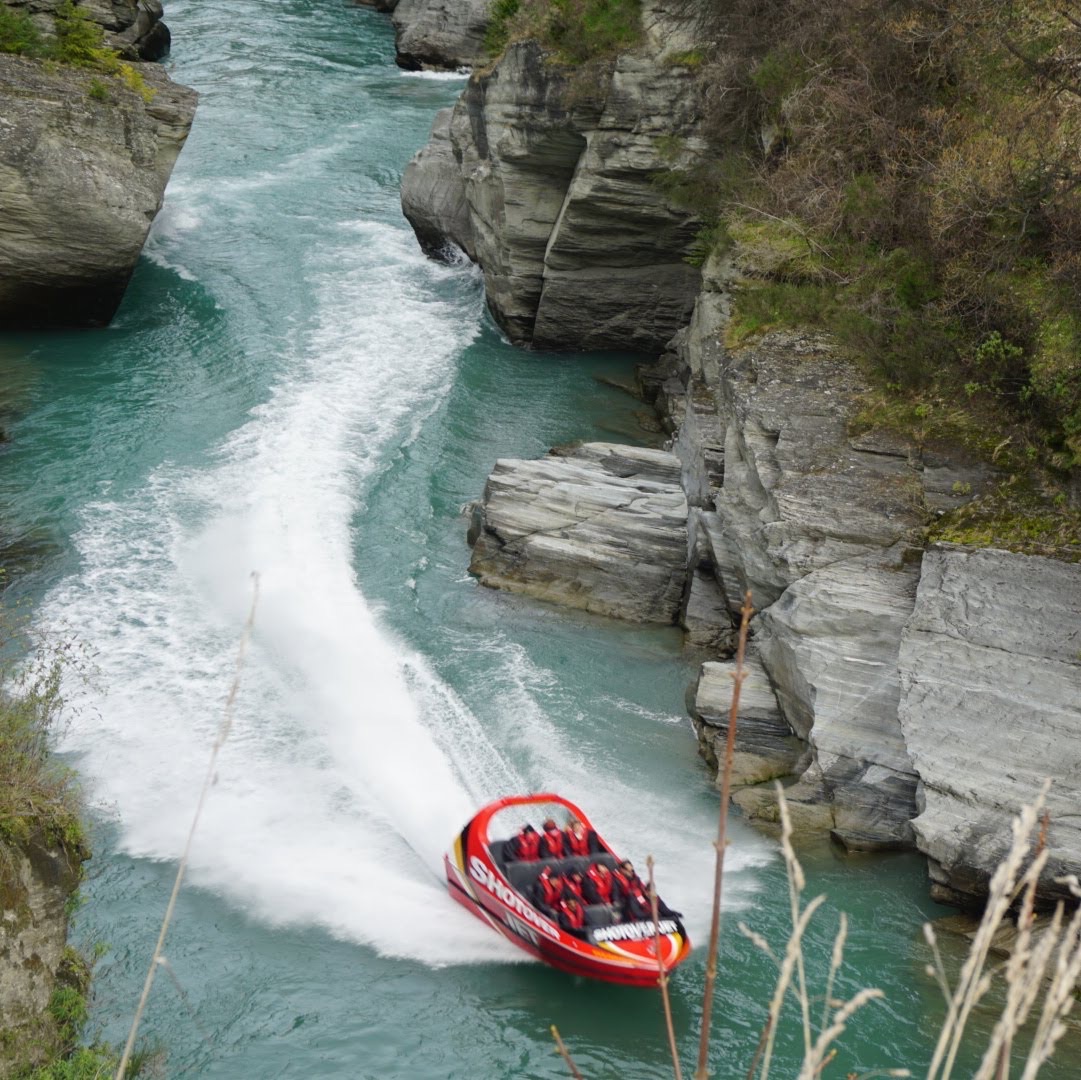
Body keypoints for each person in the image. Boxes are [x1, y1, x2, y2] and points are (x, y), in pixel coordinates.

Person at [614, 859, 682, 922]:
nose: (631, 872)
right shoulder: (634, 898)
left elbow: (666, 911)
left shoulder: (656, 898)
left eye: (632, 870)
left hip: (648, 917)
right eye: (628, 870)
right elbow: (638, 914)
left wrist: (675, 914)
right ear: (646, 892)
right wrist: (653, 916)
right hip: (631, 914)